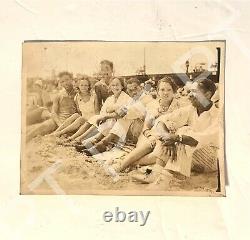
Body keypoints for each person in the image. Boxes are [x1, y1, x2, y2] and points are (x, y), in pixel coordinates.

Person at [132, 78, 219, 187]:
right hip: (191, 154)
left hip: (209, 160)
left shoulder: (218, 116)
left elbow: (199, 140)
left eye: (194, 92)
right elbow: (160, 120)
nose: (189, 95)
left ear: (207, 94)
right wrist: (167, 136)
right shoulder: (191, 109)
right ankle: (159, 173)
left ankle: (166, 177)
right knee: (171, 132)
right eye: (189, 91)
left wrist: (177, 138)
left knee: (183, 132)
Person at [108, 76, 180, 172]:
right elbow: (146, 126)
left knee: (161, 154)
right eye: (162, 90)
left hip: (169, 138)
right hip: (150, 135)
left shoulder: (179, 106)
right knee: (149, 144)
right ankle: (121, 166)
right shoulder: (153, 105)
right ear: (158, 91)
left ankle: (128, 162)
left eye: (169, 90)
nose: (165, 93)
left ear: (174, 91)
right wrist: (149, 136)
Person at [80, 77, 153, 155]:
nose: (133, 92)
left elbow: (127, 112)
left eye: (135, 88)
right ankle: (98, 142)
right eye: (130, 90)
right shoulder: (132, 99)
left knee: (124, 118)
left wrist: (107, 116)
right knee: (119, 118)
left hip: (143, 131)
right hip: (131, 129)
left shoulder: (146, 98)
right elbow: (121, 111)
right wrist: (107, 116)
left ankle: (101, 143)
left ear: (141, 87)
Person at [68, 77, 131, 146]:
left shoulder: (126, 98)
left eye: (117, 85)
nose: (115, 87)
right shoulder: (110, 99)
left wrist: (110, 110)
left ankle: (81, 140)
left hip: (120, 123)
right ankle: (75, 138)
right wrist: (108, 112)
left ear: (122, 86)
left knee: (106, 122)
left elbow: (122, 113)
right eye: (113, 85)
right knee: (95, 118)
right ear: (110, 86)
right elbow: (103, 112)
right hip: (108, 119)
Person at [26, 71, 77, 142]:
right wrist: (60, 124)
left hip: (73, 122)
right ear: (60, 83)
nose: (65, 83)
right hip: (59, 121)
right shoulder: (59, 95)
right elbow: (53, 112)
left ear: (72, 79)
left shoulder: (79, 93)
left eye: (67, 80)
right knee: (40, 128)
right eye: (62, 81)